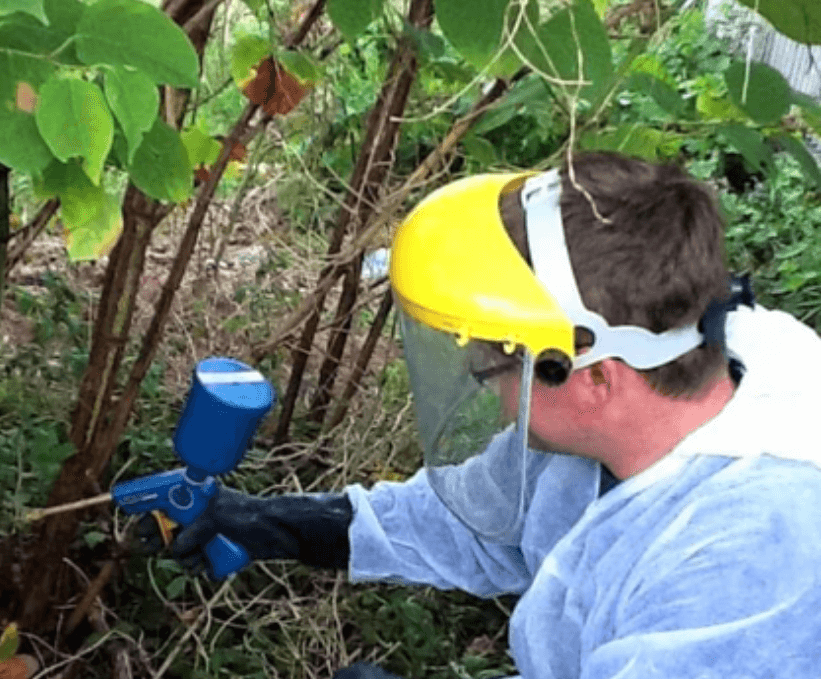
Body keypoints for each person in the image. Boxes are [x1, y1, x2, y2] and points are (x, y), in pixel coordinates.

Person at [137, 152, 821, 678]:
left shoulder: (758, 557)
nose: (484, 377)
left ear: (596, 377)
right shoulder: (648, 394)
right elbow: (470, 521)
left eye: (501, 362)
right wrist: (261, 522)